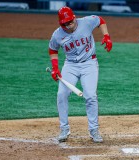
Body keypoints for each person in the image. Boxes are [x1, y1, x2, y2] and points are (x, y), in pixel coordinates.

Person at [48, 6, 112, 143]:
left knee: (90, 95)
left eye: (69, 22)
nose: (68, 26)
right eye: (64, 24)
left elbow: (100, 20)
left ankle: (94, 130)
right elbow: (52, 49)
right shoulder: (57, 34)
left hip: (89, 64)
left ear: (74, 18)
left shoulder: (87, 22)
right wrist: (55, 68)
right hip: (70, 65)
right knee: (61, 94)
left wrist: (106, 36)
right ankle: (64, 128)